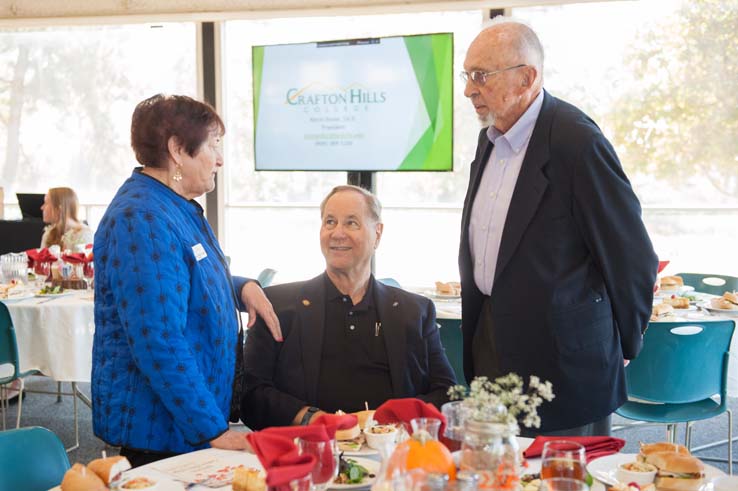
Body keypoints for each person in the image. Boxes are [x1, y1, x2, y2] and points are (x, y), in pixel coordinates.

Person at [458, 18, 658, 435]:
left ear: (527, 77)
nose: (468, 89)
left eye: (480, 76)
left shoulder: (576, 141)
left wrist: (625, 341)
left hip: (565, 364)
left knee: (562, 476)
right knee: (499, 471)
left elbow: (631, 254)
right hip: (493, 342)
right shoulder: (489, 138)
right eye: (467, 76)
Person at [92, 94, 282, 467]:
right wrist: (214, 430)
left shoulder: (169, 204)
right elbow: (157, 339)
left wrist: (242, 287)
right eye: (214, 145)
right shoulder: (141, 218)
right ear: (178, 150)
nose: (221, 159)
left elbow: (183, 280)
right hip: (161, 431)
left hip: (183, 423)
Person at [241, 185, 456, 430]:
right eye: (330, 222)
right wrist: (316, 418)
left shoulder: (415, 311)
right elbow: (251, 395)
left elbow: (448, 394)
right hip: (309, 449)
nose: (337, 233)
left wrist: (388, 419)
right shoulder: (277, 306)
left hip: (392, 451)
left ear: (378, 233)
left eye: (351, 223)